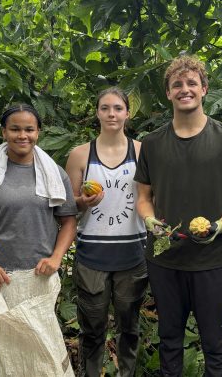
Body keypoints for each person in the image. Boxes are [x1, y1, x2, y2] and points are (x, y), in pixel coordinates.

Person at [134, 55, 222, 377]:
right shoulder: (153, 143)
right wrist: (149, 220)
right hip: (164, 258)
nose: (184, 89)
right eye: (177, 85)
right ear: (168, 94)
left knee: (214, 341)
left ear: (204, 89)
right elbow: (143, 197)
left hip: (212, 260)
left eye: (191, 83)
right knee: (169, 338)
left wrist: (221, 224)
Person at [0, 104, 78, 376]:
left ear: (38, 132)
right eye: (15, 128)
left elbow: (68, 221)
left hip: (39, 274)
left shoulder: (54, 173)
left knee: (41, 340)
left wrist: (56, 258)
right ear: (4, 131)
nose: (22, 135)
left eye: (29, 129)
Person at [65, 87, 148, 377]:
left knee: (130, 326)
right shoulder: (79, 155)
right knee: (92, 329)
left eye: (117, 108)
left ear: (127, 112)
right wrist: (82, 202)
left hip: (132, 255)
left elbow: (152, 199)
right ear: (97, 112)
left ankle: (128, 372)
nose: (111, 114)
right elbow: (67, 207)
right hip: (92, 257)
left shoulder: (142, 151)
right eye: (105, 108)